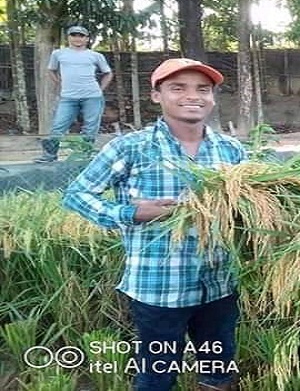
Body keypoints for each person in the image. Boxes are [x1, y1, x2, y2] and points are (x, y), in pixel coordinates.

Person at [63, 58, 247, 391]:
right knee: (156, 377)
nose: (193, 96)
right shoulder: (130, 148)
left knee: (219, 372)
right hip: (158, 289)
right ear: (156, 96)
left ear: (213, 98)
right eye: (178, 88)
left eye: (202, 89)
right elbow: (76, 195)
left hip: (219, 285)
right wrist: (131, 214)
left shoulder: (231, 150)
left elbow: (252, 207)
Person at [35, 25, 114, 162]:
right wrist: (60, 83)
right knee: (58, 126)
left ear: (87, 39)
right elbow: (51, 70)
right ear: (68, 37)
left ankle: (84, 156)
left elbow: (108, 73)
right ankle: (50, 155)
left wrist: (100, 89)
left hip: (92, 97)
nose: (77, 38)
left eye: (81, 36)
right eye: (74, 35)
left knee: (90, 128)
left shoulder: (95, 56)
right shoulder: (58, 54)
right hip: (68, 97)